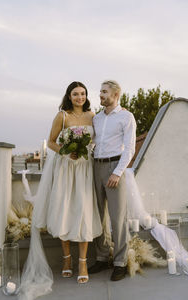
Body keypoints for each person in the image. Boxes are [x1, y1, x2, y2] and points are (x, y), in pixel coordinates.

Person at [19, 82, 102, 300]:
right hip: (65, 168)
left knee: (83, 210)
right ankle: (67, 258)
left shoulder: (93, 116)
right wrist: (67, 151)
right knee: (65, 208)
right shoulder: (62, 116)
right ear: (69, 96)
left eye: (83, 93)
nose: (80, 97)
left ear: (86, 96)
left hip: (84, 169)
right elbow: (52, 142)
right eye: (75, 94)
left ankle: (82, 263)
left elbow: (97, 141)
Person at [89, 80, 136, 281]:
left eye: (104, 92)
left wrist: (117, 173)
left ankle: (120, 262)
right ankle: (101, 257)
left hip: (114, 167)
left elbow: (130, 148)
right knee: (97, 216)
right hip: (96, 166)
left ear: (116, 95)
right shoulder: (96, 118)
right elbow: (92, 142)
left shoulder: (126, 117)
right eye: (100, 91)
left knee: (118, 218)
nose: (100, 95)